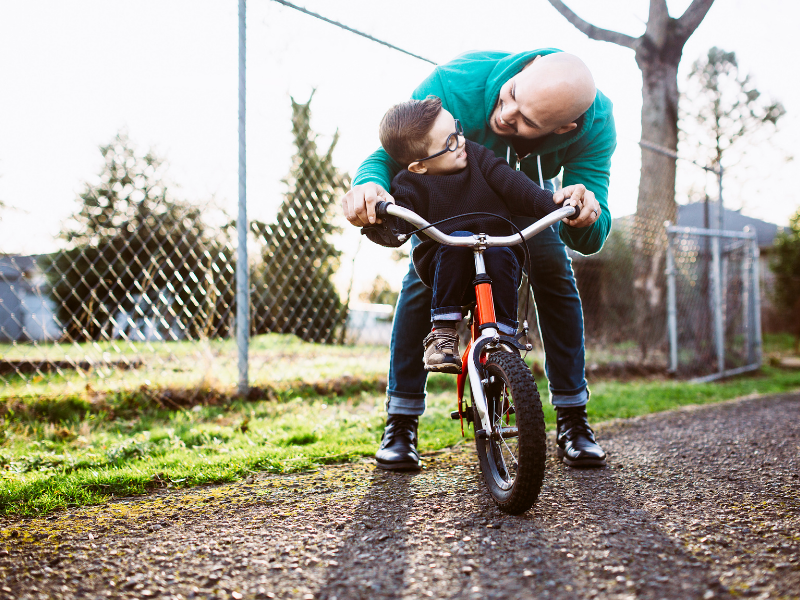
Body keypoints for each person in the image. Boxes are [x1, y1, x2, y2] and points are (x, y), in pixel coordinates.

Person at [341, 50, 616, 471]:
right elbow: (388, 155)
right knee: (423, 281)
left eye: (527, 122)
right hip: (448, 208)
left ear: (564, 129)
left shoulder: (595, 126)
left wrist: (582, 210)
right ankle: (401, 422)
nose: (505, 117)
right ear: (525, 69)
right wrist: (369, 186)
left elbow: (593, 234)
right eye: (509, 98)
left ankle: (573, 420)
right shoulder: (451, 87)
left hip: (524, 200)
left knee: (555, 271)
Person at [364, 96, 571, 376]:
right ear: (419, 166)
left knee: (502, 254)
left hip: (495, 247)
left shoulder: (478, 157)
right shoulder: (409, 184)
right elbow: (400, 220)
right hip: (447, 258)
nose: (460, 141)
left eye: (457, 131)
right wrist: (383, 221)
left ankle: (505, 339)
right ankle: (443, 334)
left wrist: (554, 204)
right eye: (448, 143)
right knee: (457, 240)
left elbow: (514, 185)